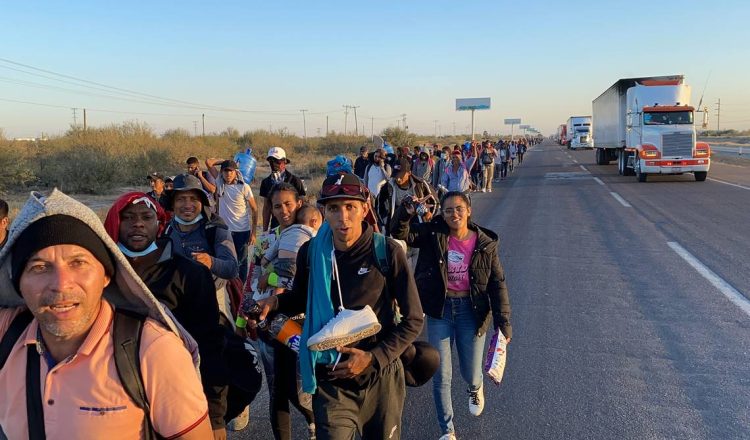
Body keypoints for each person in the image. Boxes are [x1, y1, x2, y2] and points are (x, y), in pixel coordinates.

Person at [0, 189, 212, 439]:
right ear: (17, 282)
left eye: (78, 263)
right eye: (39, 267)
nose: (61, 284)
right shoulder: (8, 333)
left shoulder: (152, 351)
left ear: (106, 275)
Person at [254, 172, 424, 439]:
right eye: (334, 208)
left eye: (350, 207)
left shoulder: (387, 252)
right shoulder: (311, 252)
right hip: (331, 378)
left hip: (380, 379)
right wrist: (275, 301)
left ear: (364, 208)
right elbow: (301, 297)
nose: (342, 217)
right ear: (323, 211)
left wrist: (373, 357)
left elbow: (414, 319)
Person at [104, 192, 239, 439]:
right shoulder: (100, 274)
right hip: (110, 399)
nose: (138, 223)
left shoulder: (189, 274)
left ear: (159, 223)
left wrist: (216, 415)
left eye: (146, 217)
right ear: (114, 222)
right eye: (128, 218)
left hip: (176, 395)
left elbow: (209, 345)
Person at [390, 191, 512, 440]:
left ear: (468, 210)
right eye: (447, 210)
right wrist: (405, 211)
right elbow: (401, 234)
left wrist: (503, 324)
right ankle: (447, 430)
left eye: (458, 209)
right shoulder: (433, 234)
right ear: (442, 214)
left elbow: (497, 283)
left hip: (472, 310)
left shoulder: (485, 243)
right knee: (441, 375)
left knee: (470, 372)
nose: (454, 214)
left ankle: (475, 387)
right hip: (440, 311)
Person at [251, 183, 317, 440]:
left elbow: (311, 280)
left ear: (299, 203)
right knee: (277, 389)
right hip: (270, 322)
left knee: (300, 389)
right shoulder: (266, 241)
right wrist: (242, 318)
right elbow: (253, 280)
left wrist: (274, 277)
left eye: (288, 204)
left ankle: (313, 418)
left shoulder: (313, 235)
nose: (283, 210)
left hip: (302, 321)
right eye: (277, 206)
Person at [165, 174, 239, 324]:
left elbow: (232, 269)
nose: (187, 205)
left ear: (202, 202)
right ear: (172, 204)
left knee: (221, 341)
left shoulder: (215, 227)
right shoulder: (167, 231)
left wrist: (211, 262)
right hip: (180, 301)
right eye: (180, 199)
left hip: (214, 296)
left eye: (193, 199)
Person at [206, 159, 259, 283]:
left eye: (231, 171)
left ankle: (240, 288)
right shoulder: (219, 183)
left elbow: (254, 209)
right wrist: (224, 161)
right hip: (225, 230)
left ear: (236, 172)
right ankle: (230, 287)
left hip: (242, 230)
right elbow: (208, 162)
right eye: (225, 171)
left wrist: (254, 233)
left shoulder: (244, 187)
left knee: (241, 262)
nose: (228, 174)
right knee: (226, 259)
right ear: (222, 172)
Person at [376, 157, 435, 233]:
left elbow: (435, 202)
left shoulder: (420, 184)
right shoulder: (388, 186)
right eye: (396, 175)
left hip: (417, 223)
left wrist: (428, 213)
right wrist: (386, 221)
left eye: (401, 175)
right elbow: (379, 205)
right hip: (398, 223)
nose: (398, 179)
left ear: (409, 173)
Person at [259, 147, 307, 230]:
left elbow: (303, 204)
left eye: (277, 160)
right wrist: (265, 230)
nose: (273, 163)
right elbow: (267, 207)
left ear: (284, 161)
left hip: (294, 224)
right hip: (276, 224)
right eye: (271, 160)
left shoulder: (295, 180)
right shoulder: (266, 182)